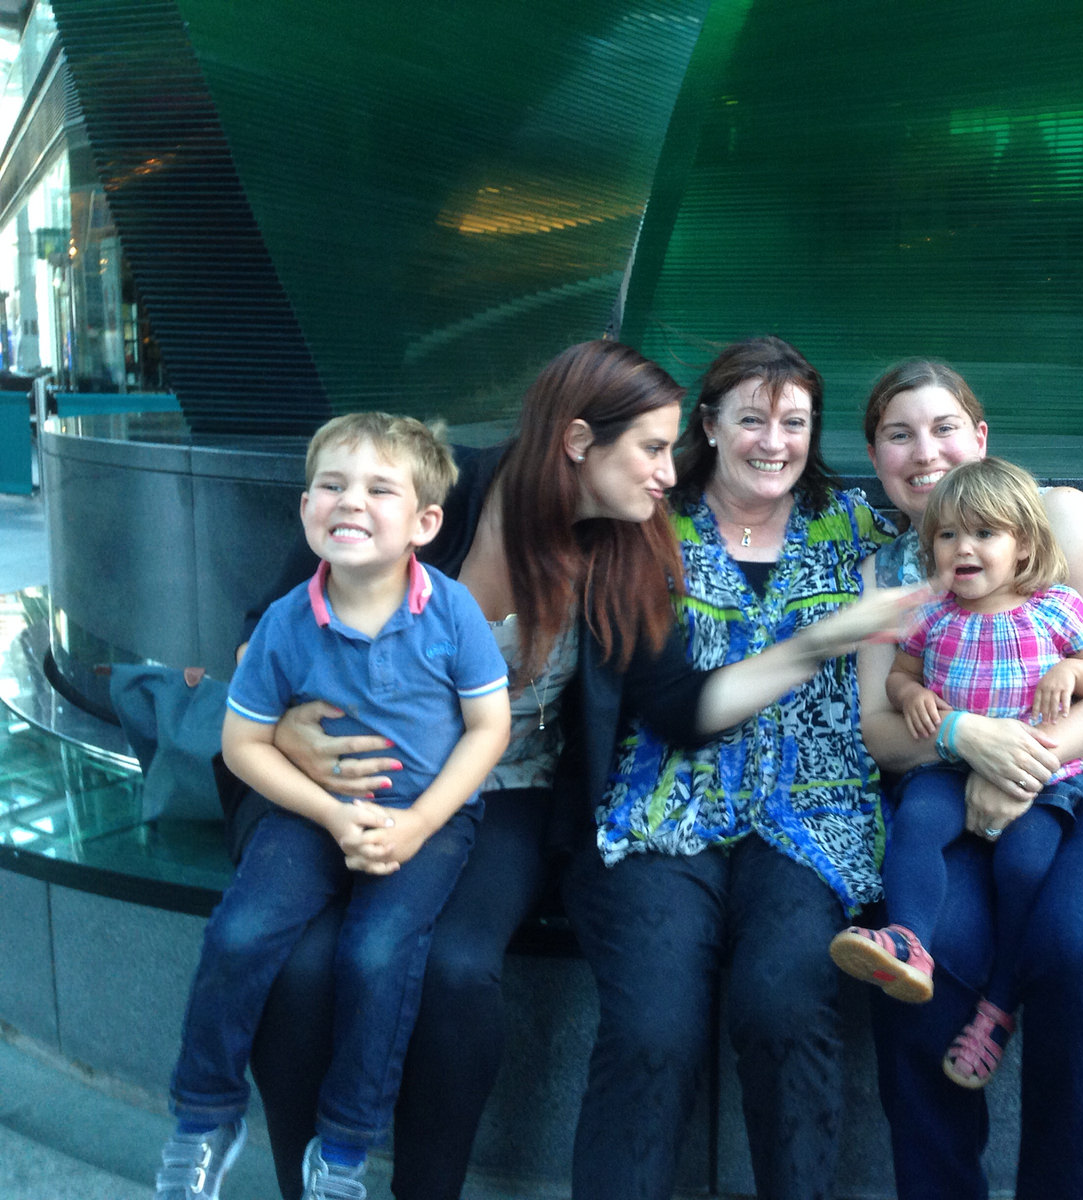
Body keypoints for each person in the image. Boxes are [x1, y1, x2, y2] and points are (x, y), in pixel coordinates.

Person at [231, 340, 917, 1200]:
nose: (670, 472)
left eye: (794, 422)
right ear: (580, 442)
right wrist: (286, 730)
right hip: (338, 775)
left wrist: (829, 638)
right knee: (293, 965)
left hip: (501, 791)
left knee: (453, 969)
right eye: (654, 448)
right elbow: (263, 636)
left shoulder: (628, 546)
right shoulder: (432, 488)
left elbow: (681, 704)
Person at [856, 361, 1083, 1200]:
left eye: (944, 428)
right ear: (876, 460)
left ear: (980, 438)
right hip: (958, 788)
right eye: (900, 435)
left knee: (1080, 949)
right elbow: (881, 729)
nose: (925, 451)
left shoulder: (1060, 517)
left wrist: (1024, 763)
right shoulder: (887, 577)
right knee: (929, 959)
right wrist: (965, 737)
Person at [567, 336, 897, 1200]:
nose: (774, 442)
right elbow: (675, 710)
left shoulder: (856, 527)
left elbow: (976, 549)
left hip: (814, 811)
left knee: (783, 1002)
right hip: (663, 806)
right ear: (709, 425)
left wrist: (1077, 599)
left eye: (795, 422)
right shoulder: (649, 529)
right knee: (652, 1028)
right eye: (752, 419)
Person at [156, 414, 513, 1200]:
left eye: (380, 488)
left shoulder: (451, 611)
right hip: (312, 813)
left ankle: (344, 1150)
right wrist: (328, 811)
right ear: (306, 507)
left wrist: (419, 823)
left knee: (377, 954)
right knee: (242, 931)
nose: (350, 500)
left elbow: (490, 727)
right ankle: (205, 1113)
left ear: (425, 522)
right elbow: (244, 743)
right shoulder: (288, 621)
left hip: (427, 820)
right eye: (332, 485)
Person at [830, 457, 1083, 1091]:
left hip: (1038, 777)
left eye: (985, 533)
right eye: (948, 535)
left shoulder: (1055, 608)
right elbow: (902, 674)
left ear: (1024, 548)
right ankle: (908, 941)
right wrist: (910, 695)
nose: (964, 548)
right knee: (916, 823)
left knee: (1025, 864)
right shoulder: (933, 616)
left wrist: (1070, 671)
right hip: (951, 762)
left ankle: (1000, 1002)